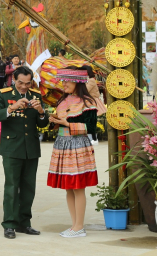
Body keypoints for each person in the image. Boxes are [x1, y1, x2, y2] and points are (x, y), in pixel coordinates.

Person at [0, 65, 49, 239]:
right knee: (12, 187)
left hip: (31, 148)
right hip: (11, 148)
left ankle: (25, 223)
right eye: (21, 83)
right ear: (14, 80)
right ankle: (9, 224)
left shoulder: (36, 96)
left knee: (29, 188)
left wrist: (41, 112)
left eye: (28, 83)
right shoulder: (4, 94)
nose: (24, 87)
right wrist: (11, 108)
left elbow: (43, 125)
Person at [47, 68, 98, 238]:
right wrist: (54, 122)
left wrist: (67, 124)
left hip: (77, 146)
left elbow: (91, 127)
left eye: (67, 81)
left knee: (78, 187)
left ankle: (79, 227)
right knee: (69, 187)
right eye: (63, 81)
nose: (64, 84)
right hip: (62, 145)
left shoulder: (87, 102)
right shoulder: (62, 100)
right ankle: (74, 225)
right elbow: (61, 122)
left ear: (78, 81)